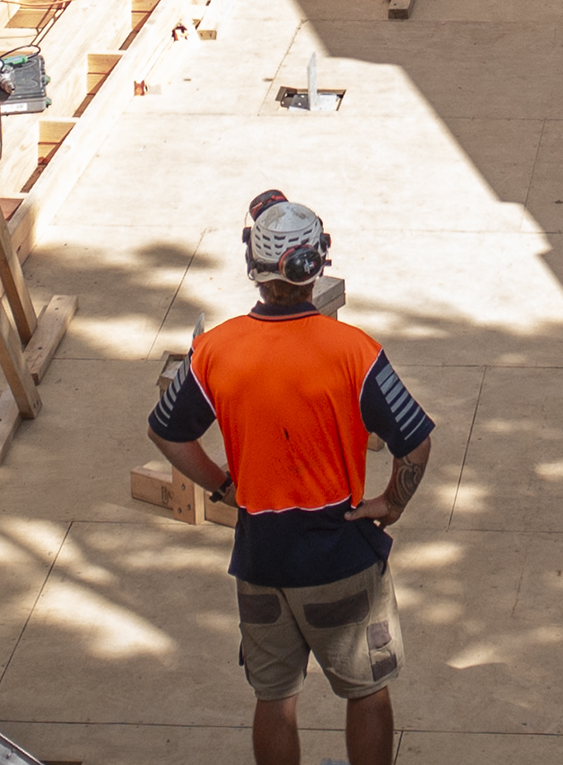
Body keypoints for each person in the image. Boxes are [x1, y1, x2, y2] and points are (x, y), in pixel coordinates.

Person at [148, 194, 433, 765]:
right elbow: (416, 444)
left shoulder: (213, 350)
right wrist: (391, 502)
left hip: (260, 561)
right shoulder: (355, 352)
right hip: (339, 559)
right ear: (316, 265)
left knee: (274, 698)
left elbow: (166, 433)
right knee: (368, 691)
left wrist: (222, 486)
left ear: (253, 265)